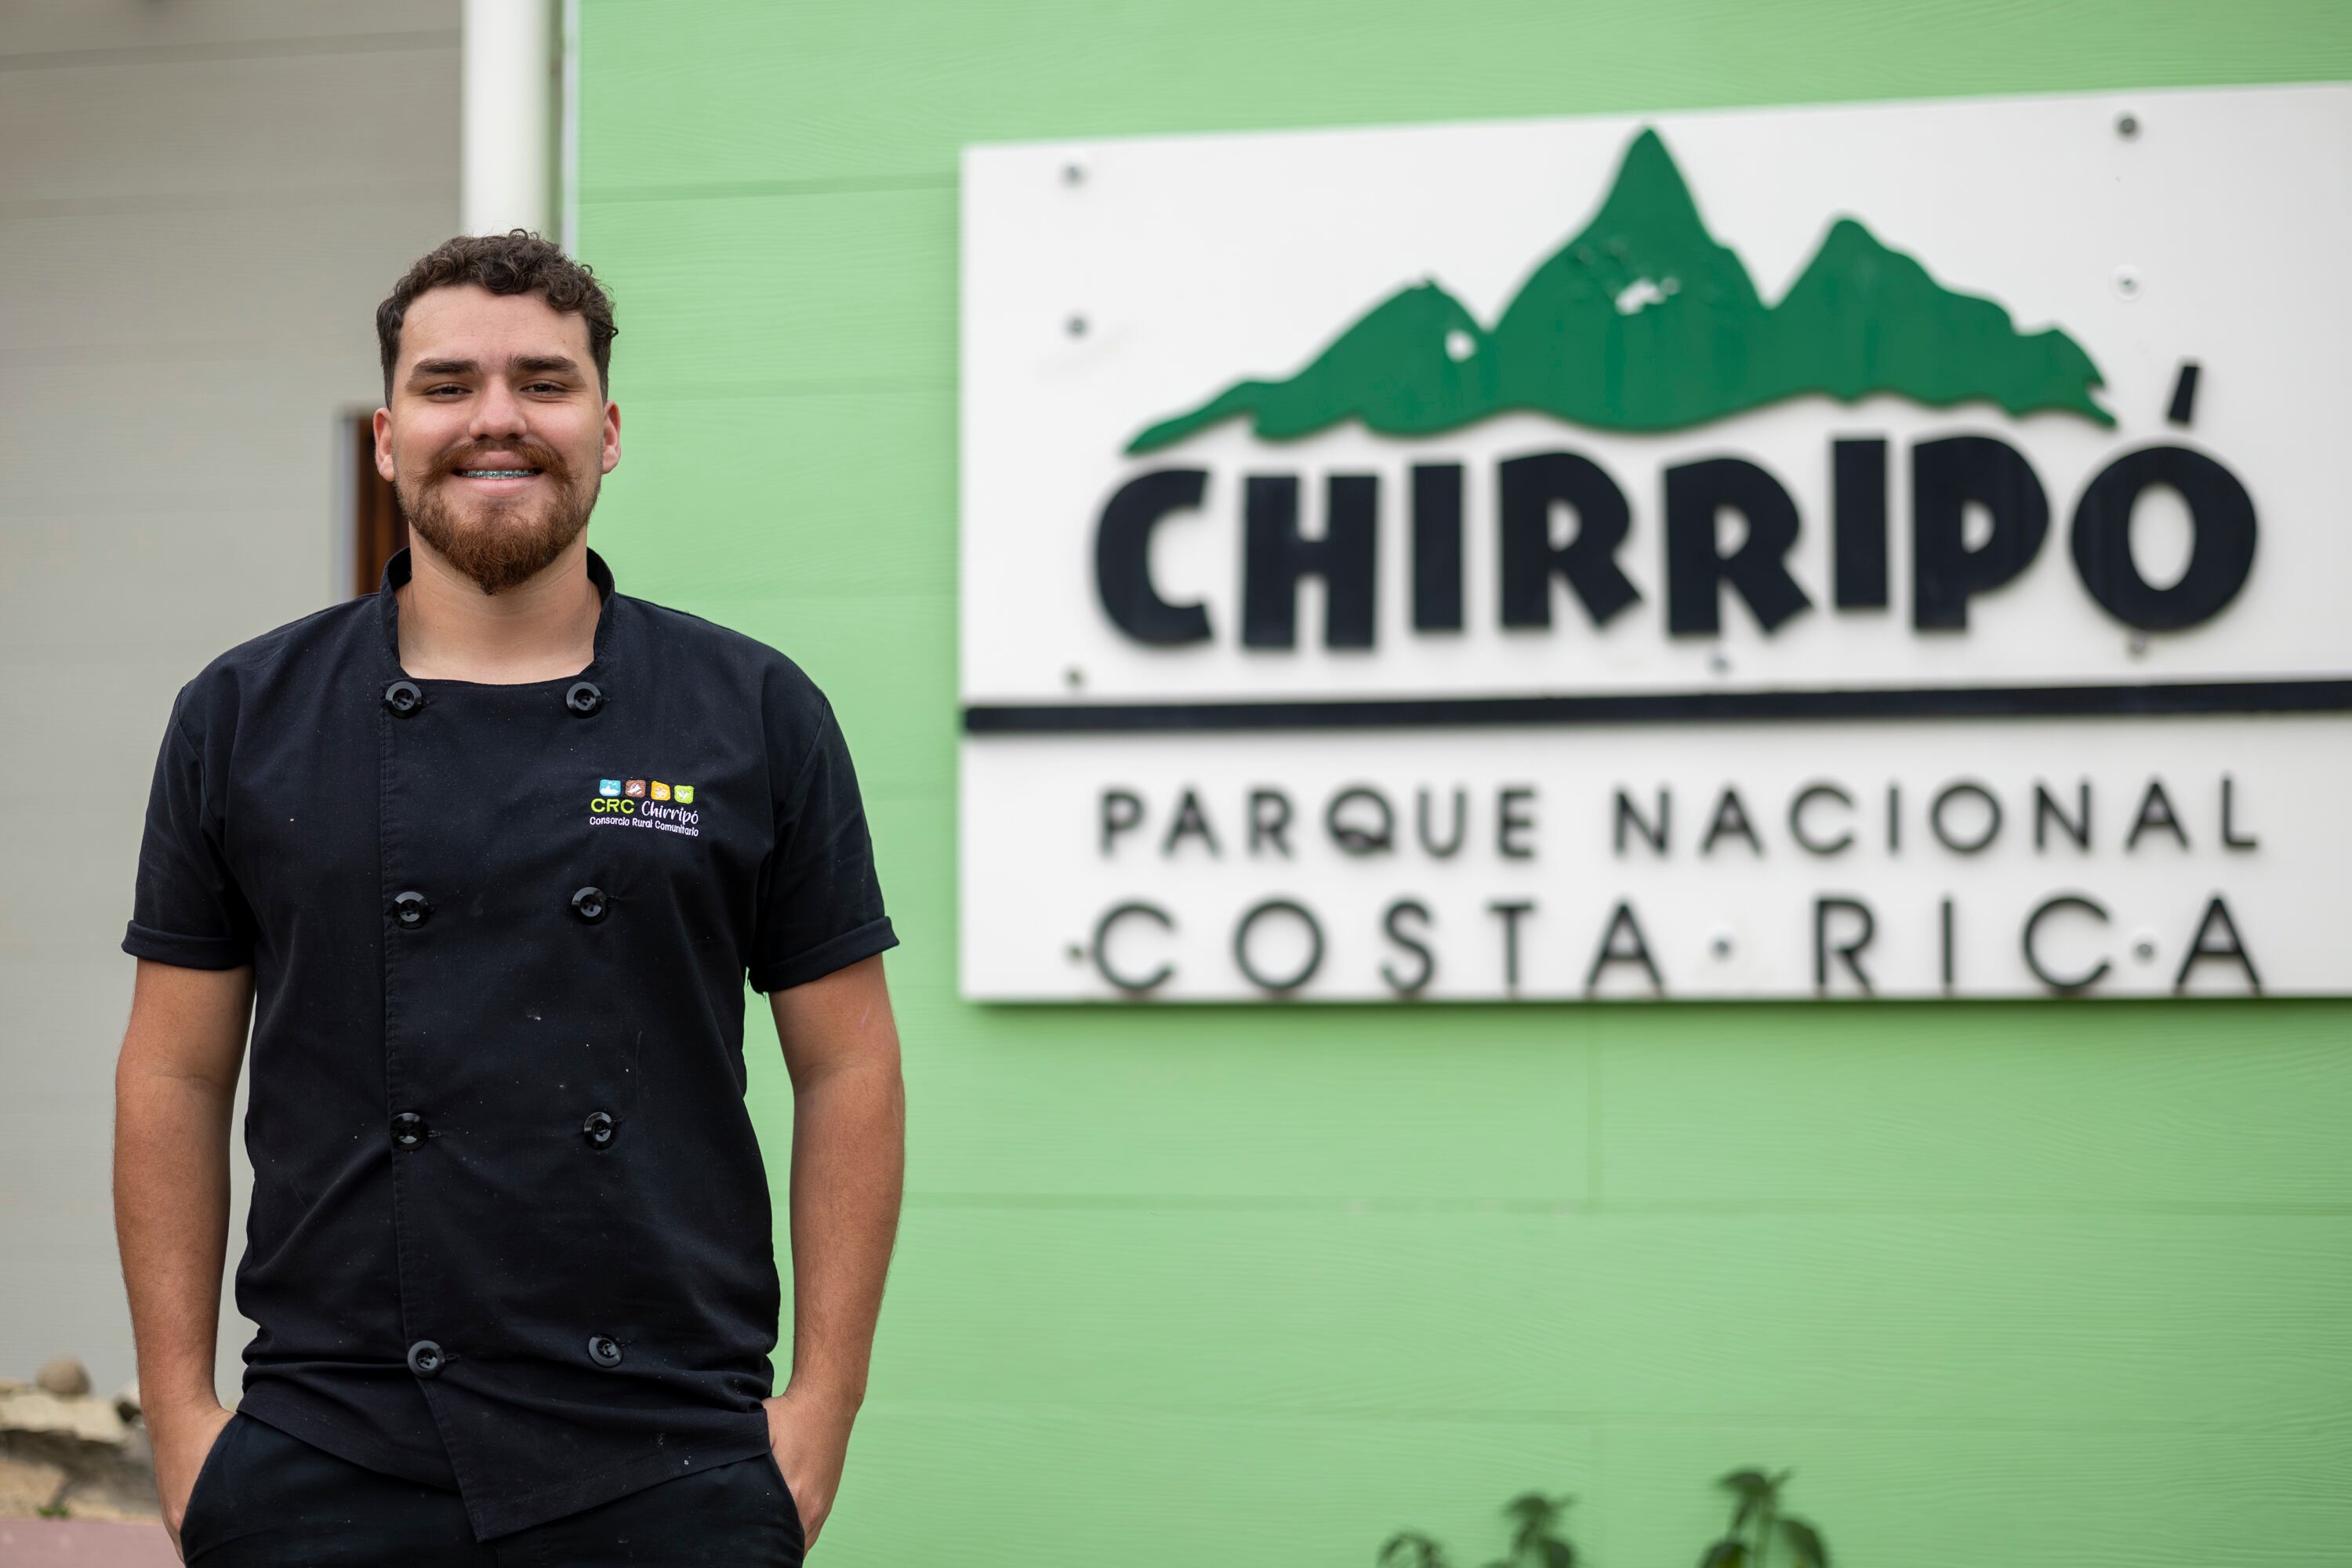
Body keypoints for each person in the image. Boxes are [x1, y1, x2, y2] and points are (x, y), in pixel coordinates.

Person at [111, 231, 905, 1564]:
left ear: (608, 430)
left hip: (674, 1452)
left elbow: (851, 1068)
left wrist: (822, 1410)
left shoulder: (753, 710)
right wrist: (185, 1426)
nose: (496, 418)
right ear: (387, 437)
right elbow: (173, 1074)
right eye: (447, 385)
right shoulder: (244, 715)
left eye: (543, 382)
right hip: (326, 1446)